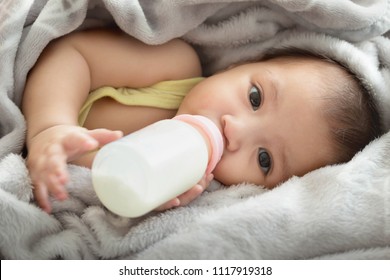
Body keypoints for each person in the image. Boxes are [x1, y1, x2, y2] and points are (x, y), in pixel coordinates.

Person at [22, 28, 381, 214]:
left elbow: (98, 170)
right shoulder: (175, 67)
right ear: (235, 66)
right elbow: (73, 54)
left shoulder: (192, 185)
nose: (235, 131)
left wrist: (138, 193)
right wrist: (50, 128)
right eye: (254, 98)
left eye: (264, 160)